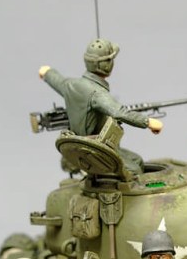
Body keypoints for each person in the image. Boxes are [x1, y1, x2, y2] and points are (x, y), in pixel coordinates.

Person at [39, 38, 163, 173]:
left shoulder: (71, 85)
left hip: (84, 146)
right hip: (95, 150)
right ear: (106, 65)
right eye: (110, 60)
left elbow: (57, 80)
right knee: (134, 170)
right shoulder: (97, 93)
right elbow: (119, 112)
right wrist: (148, 122)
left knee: (137, 160)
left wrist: (47, 72)